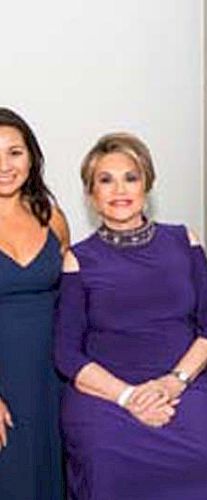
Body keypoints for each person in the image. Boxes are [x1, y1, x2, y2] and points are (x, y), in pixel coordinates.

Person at [54, 133, 207, 499]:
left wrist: (174, 382)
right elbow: (67, 354)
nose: (119, 189)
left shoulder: (184, 241)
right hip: (105, 396)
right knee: (103, 464)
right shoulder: (78, 259)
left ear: (147, 185)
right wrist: (128, 397)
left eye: (130, 177)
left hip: (183, 384)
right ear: (91, 194)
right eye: (106, 180)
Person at [0, 108, 69, 499]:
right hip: (5, 377)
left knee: (53, 475)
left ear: (32, 157)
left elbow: (74, 299)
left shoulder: (52, 216)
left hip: (54, 375)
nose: (4, 166)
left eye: (14, 152)